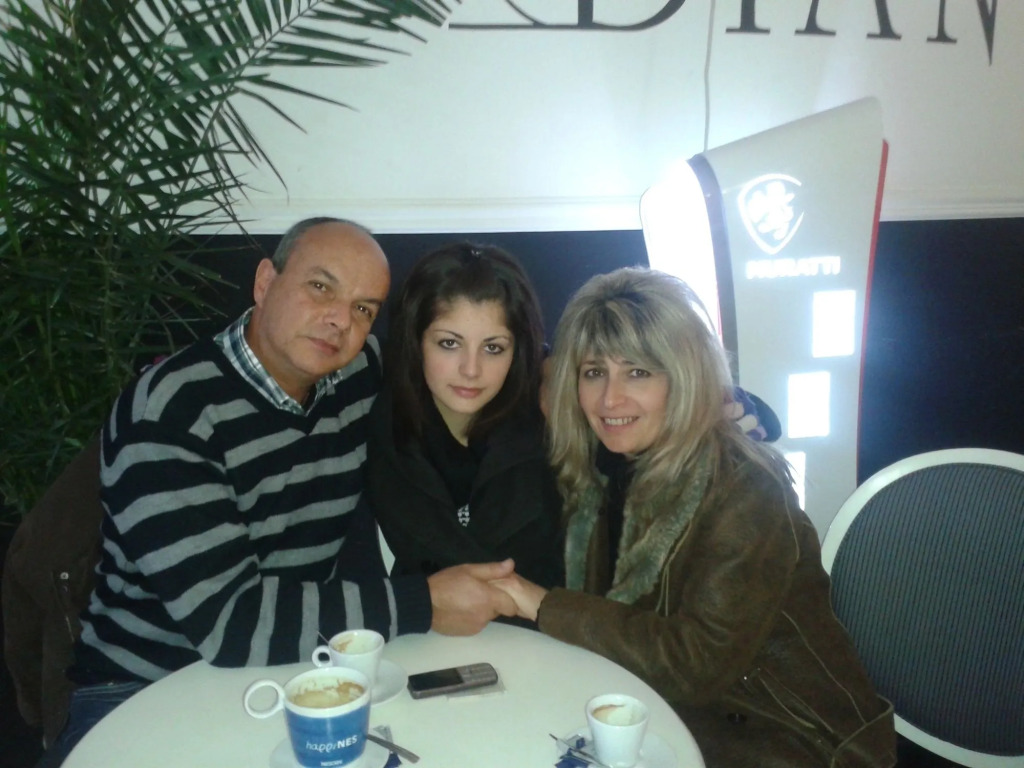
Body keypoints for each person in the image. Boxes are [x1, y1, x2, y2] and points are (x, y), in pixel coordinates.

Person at [42, 218, 516, 765]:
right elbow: (230, 622)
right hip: (143, 688)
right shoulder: (172, 412)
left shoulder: (357, 374)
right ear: (265, 282)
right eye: (320, 287)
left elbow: (457, 359)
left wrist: (552, 375)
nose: (340, 319)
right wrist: (423, 603)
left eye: (364, 308)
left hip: (295, 670)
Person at [493, 267, 896, 768]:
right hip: (662, 713)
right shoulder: (599, 470)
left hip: (785, 736)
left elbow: (696, 664)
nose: (609, 399)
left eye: (638, 372)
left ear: (682, 377)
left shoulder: (744, 489)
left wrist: (542, 604)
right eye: (594, 372)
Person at [366, 242, 564, 595]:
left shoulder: (554, 417)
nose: (471, 370)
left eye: (493, 348)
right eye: (449, 343)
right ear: (416, 340)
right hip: (423, 622)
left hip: (547, 622)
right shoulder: (377, 412)